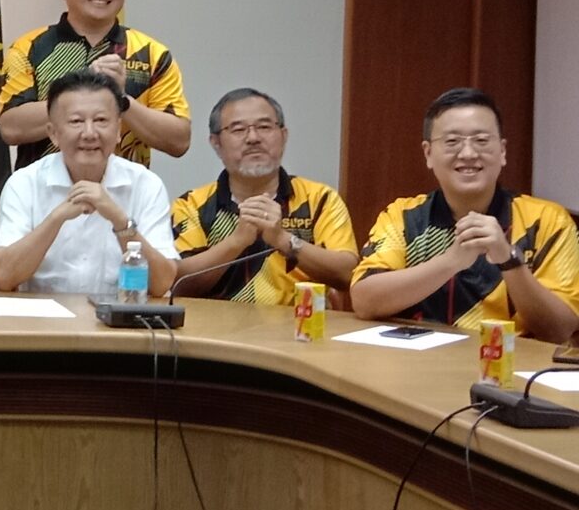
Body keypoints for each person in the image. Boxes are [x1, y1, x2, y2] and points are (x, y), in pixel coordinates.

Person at [351, 88, 579, 341]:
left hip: (508, 362)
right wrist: (452, 261)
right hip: (415, 360)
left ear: (502, 151)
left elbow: (561, 328)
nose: (468, 153)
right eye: (452, 142)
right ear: (428, 153)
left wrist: (508, 259)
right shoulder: (403, 216)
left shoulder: (547, 221)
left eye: (481, 140)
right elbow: (364, 302)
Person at [0, 0, 189, 169]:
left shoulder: (151, 54)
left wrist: (120, 100)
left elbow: (179, 141)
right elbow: (10, 128)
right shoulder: (29, 48)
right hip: (43, 187)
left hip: (124, 189)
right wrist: (82, 93)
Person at [0, 68, 179, 296]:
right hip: (42, 316)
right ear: (53, 133)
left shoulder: (146, 184)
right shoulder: (24, 183)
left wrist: (120, 221)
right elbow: (3, 276)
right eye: (76, 121)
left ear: (118, 130)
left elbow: (161, 284)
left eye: (101, 120)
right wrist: (56, 218)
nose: (89, 133)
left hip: (121, 316)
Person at [169, 88, 358, 305]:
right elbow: (177, 282)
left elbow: (348, 274)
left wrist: (283, 240)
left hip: (300, 322)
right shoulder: (191, 205)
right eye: (238, 129)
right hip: (215, 324)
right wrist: (236, 242)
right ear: (216, 143)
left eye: (264, 127)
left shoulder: (319, 199)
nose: (253, 138)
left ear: (283, 136)